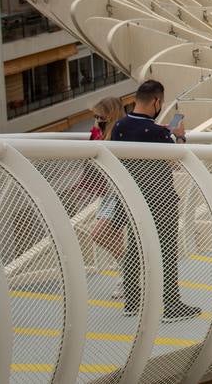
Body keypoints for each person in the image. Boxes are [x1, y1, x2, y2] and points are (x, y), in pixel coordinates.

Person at [109, 80, 200, 320]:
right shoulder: (159, 133)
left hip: (131, 197)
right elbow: (175, 161)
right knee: (167, 250)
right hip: (160, 199)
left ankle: (132, 302)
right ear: (156, 102)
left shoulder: (119, 126)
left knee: (134, 249)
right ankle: (171, 305)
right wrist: (179, 137)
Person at [88, 96, 128, 299]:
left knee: (99, 233)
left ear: (110, 113)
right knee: (113, 236)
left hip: (119, 192)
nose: (96, 119)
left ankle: (130, 269)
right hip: (109, 191)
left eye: (100, 115)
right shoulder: (100, 131)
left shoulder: (120, 131)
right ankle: (128, 275)